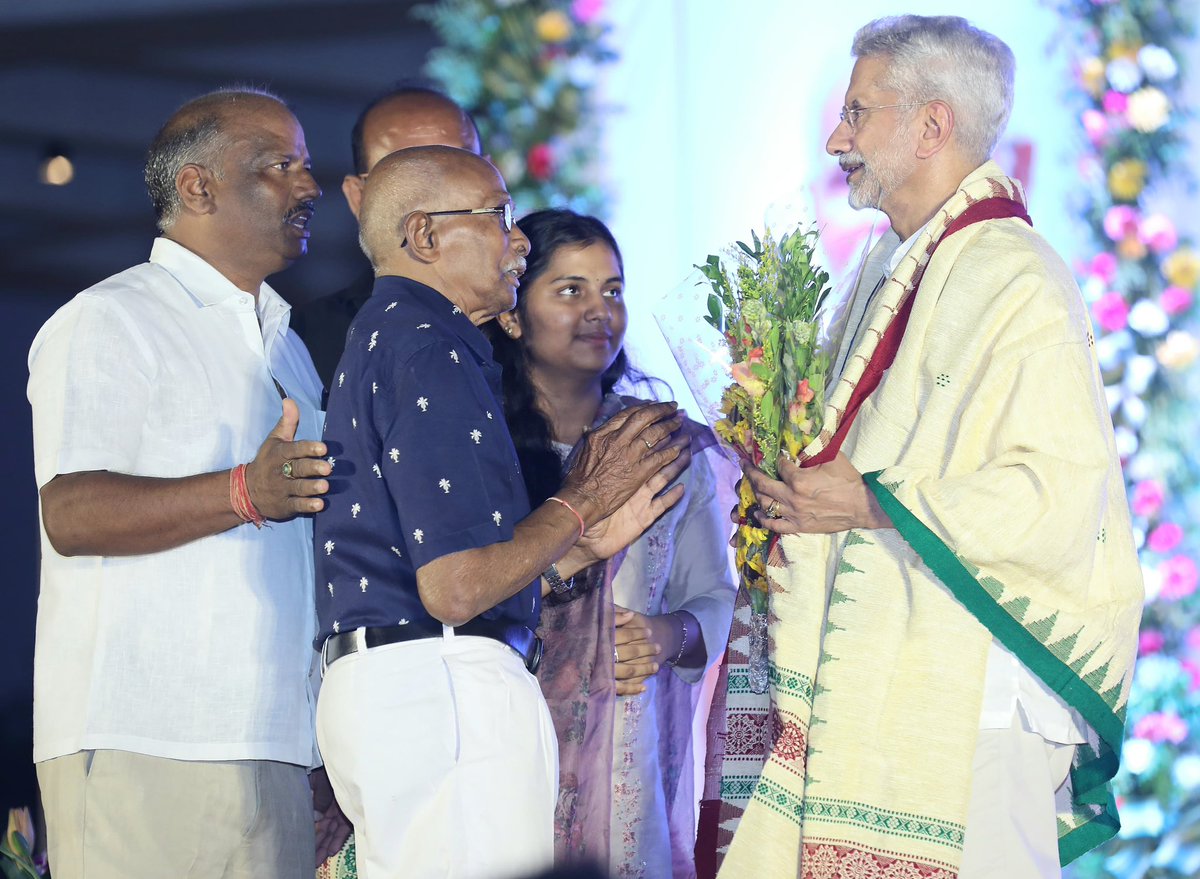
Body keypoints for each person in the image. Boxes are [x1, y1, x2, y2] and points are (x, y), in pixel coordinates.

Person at [706, 15, 1143, 879]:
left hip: (972, 691)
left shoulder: (1016, 276)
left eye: (858, 114)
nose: (837, 139)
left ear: (931, 126)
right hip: (891, 681)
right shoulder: (895, 266)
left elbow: (1056, 493)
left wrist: (864, 500)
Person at [313, 146, 691, 879]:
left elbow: (447, 566)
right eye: (497, 217)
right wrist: (578, 503)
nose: (517, 240)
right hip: (442, 686)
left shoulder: (398, 335)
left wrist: (574, 549)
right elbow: (453, 588)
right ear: (424, 237)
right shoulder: (427, 348)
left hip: (407, 682)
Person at [28, 88, 333, 879]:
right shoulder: (112, 319)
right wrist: (242, 491)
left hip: (274, 738)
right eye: (280, 166)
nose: (310, 186)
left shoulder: (287, 347)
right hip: (146, 735)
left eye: (306, 165)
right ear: (197, 187)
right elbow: (70, 510)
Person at [486, 209, 736, 877]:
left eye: (613, 289)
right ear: (512, 313)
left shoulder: (663, 444)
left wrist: (665, 635)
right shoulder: (478, 441)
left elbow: (714, 596)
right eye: (570, 290)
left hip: (629, 773)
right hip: (501, 751)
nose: (600, 310)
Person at [291, 84, 481, 390]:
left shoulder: (542, 313)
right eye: (403, 177)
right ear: (359, 197)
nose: (434, 199)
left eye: (455, 169)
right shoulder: (309, 339)